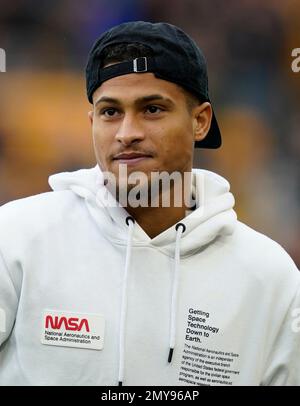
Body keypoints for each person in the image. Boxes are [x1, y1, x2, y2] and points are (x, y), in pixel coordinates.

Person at [0, 21, 299, 387]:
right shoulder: (16, 239)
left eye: (153, 109)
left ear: (200, 121)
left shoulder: (269, 277)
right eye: (111, 112)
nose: (127, 133)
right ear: (92, 121)